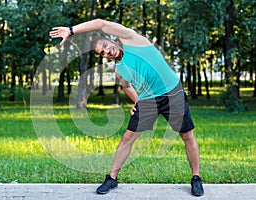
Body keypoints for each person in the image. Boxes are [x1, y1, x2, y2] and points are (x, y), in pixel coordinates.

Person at [49, 18, 204, 197]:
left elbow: (100, 22)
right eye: (103, 53)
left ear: (112, 39)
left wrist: (71, 30)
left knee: (186, 135)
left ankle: (196, 177)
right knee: (127, 138)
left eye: (106, 46)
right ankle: (112, 178)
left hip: (172, 93)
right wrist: (137, 102)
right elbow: (127, 86)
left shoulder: (131, 39)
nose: (107, 52)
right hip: (148, 100)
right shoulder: (119, 69)